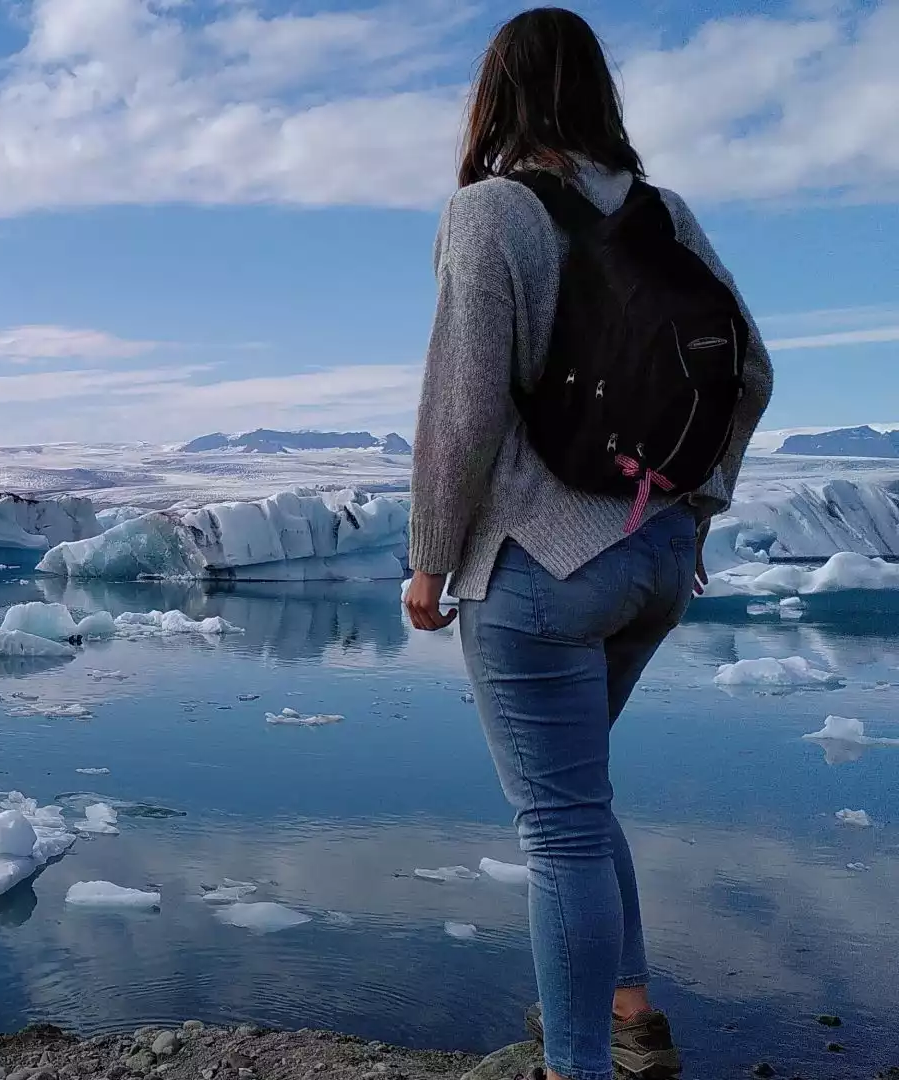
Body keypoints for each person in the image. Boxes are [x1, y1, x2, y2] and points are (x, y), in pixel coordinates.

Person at [404, 9, 774, 1080]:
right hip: (655, 558)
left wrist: (430, 559)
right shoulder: (667, 214)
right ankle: (631, 1017)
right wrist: (693, 509)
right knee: (578, 793)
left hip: (539, 567)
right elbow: (750, 377)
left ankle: (574, 1066)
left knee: (558, 828)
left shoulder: (490, 213)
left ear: (498, 100)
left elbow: (461, 410)